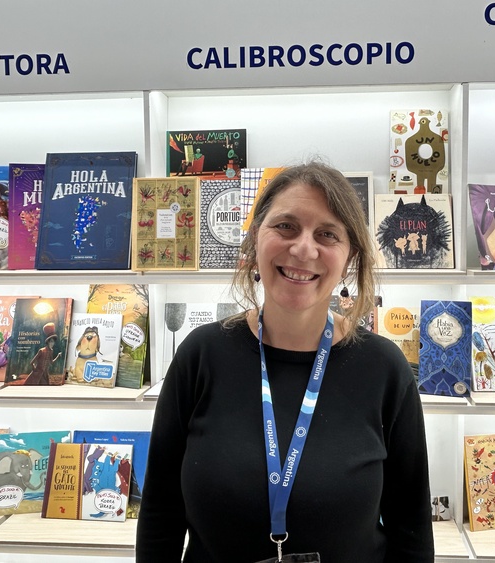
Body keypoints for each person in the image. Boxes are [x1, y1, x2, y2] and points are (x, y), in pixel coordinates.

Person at [137, 162, 434, 562]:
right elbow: (160, 515)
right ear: (255, 237)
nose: (303, 249)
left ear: (349, 257)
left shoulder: (384, 368)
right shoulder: (200, 355)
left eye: (327, 234)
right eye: (286, 226)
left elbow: (411, 528)